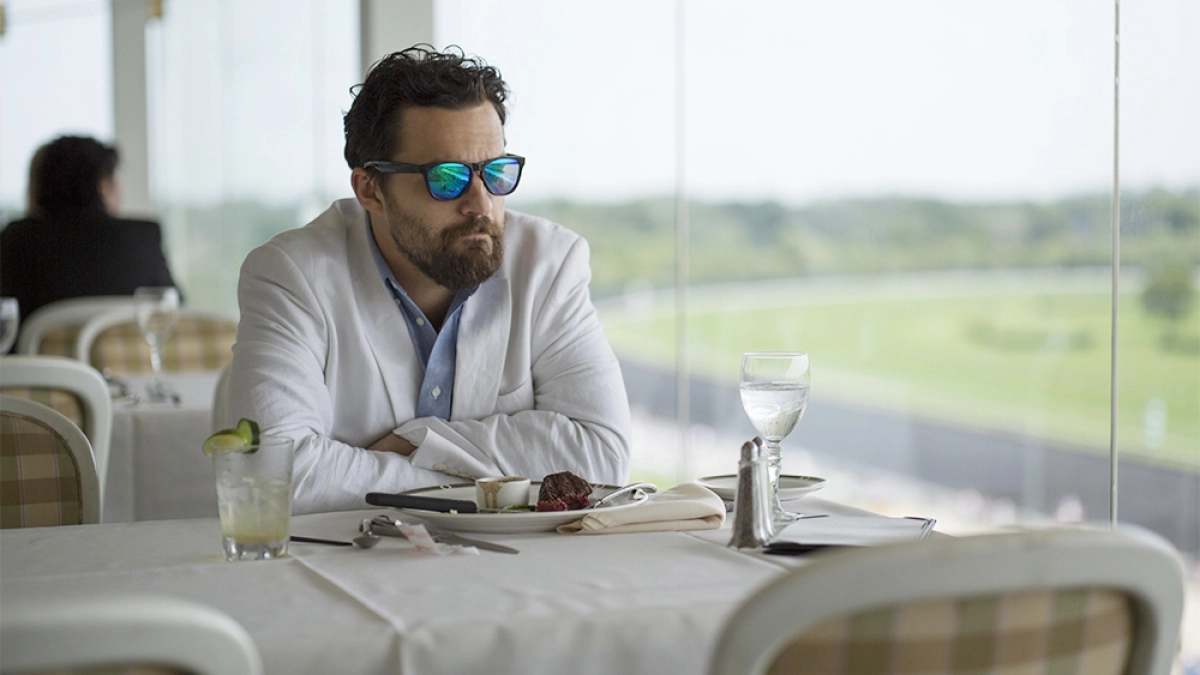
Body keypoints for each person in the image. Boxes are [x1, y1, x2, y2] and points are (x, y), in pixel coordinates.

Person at [227, 46, 632, 513]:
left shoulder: (549, 265)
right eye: (447, 178)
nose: (481, 204)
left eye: (496, 173)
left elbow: (603, 458)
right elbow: (277, 475)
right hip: (354, 554)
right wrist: (480, 481)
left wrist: (417, 441)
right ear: (370, 190)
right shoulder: (291, 274)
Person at [1, 136, 179, 325]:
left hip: (38, 345)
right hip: (130, 346)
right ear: (104, 185)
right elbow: (174, 310)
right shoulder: (144, 237)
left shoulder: (14, 240)